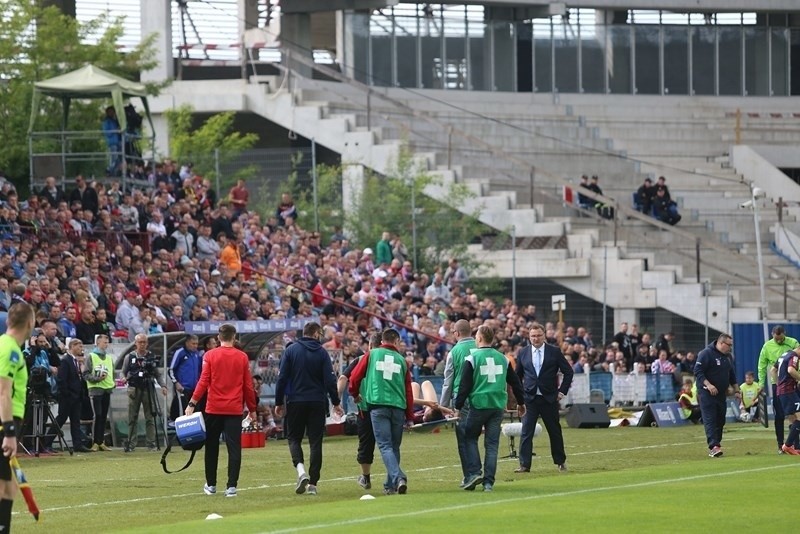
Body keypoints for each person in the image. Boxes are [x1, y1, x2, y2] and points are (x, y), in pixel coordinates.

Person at [186, 323, 256, 497]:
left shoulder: (210, 355)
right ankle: (231, 487)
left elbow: (203, 381)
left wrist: (192, 402)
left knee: (211, 447)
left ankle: (211, 485)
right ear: (234, 337)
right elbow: (248, 386)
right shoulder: (242, 357)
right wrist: (252, 408)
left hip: (214, 408)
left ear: (219, 337)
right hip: (233, 409)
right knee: (234, 448)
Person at [275, 322, 343, 496]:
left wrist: (278, 402)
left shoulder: (291, 350)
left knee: (294, 439)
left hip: (295, 401)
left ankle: (300, 471)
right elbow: (329, 380)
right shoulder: (322, 353)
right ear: (315, 333)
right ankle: (313, 484)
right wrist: (335, 402)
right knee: (315, 442)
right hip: (317, 402)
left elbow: (282, 378)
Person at [455, 326, 525, 492]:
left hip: (479, 405)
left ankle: (474, 472)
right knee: (492, 445)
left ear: (478, 339)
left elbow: (464, 386)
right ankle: (488, 483)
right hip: (497, 406)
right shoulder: (503, 358)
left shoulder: (472, 358)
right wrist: (521, 403)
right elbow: (515, 383)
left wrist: (457, 407)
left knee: (469, 438)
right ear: (492, 339)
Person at [349, 328, 414, 496]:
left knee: (385, 446)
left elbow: (354, 376)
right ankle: (390, 485)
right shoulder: (402, 360)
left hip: (378, 405)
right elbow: (408, 391)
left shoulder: (372, 354)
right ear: (396, 341)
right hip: (398, 407)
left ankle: (398, 477)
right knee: (394, 447)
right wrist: (410, 416)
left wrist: (355, 394)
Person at [514, 322, 574, 473]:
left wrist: (562, 392)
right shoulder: (523, 353)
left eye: (539, 335)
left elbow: (568, 372)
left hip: (549, 398)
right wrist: (519, 396)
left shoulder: (554, 351)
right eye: (533, 336)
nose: (536, 339)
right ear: (529, 337)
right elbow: (517, 376)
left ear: (544, 335)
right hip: (530, 399)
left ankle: (560, 461)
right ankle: (524, 465)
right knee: (526, 431)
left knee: (554, 431)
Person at [0, 302, 35, 532]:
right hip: (6, 421)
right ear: (30, 323)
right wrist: (9, 432)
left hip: (8, 420)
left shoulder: (5, 345)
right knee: (3, 486)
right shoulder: (10, 349)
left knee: (8, 484)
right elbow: (3, 391)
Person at [336, 332, 382, 490]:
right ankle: (395, 477)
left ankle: (366, 478)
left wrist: (337, 401)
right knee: (389, 444)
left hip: (366, 408)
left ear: (370, 345)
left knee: (366, 444)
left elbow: (343, 378)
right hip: (388, 406)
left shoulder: (361, 360)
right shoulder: (392, 359)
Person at [439, 319, 476, 486]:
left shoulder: (454, 352)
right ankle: (485, 474)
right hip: (482, 398)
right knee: (481, 438)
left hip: (462, 400)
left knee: (464, 438)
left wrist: (443, 406)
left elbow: (448, 381)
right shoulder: (481, 346)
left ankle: (470, 475)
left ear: (457, 333)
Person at [694, 333, 740, 457]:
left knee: (720, 420)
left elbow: (732, 374)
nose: (730, 347)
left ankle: (717, 444)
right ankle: (713, 446)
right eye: (728, 345)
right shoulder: (706, 353)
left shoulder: (728, 357)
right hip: (706, 393)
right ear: (720, 343)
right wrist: (708, 385)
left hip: (721, 394)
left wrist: (737, 390)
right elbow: (698, 371)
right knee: (710, 419)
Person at [121, 333, 167, 452]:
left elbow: (157, 373)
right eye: (140, 342)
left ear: (147, 343)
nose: (142, 344)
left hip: (148, 388)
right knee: (132, 417)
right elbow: (123, 372)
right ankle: (131, 443)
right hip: (134, 388)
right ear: (135, 343)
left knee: (150, 417)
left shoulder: (151, 356)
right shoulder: (129, 357)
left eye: (144, 342)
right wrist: (124, 378)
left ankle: (151, 443)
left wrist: (163, 385)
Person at [46, 338, 92, 452]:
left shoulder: (76, 361)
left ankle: (78, 444)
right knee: (61, 419)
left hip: (76, 397)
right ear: (72, 347)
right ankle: (47, 442)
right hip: (68, 397)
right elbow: (62, 379)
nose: (82, 349)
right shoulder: (66, 361)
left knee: (76, 421)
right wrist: (66, 394)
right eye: (79, 346)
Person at [757, 325, 798, 454]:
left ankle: (795, 445)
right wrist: (761, 383)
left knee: (794, 414)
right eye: (776, 339)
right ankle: (782, 445)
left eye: (781, 339)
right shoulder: (767, 346)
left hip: (794, 383)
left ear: (784, 334)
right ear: (772, 335)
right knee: (779, 415)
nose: (779, 341)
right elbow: (762, 365)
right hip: (779, 385)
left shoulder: (793, 343)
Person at [83, 335, 114, 451]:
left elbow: (112, 373)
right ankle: (95, 442)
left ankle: (101, 441)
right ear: (98, 343)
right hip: (96, 390)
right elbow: (85, 374)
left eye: (107, 342)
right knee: (98, 415)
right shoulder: (91, 356)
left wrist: (112, 384)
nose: (106, 344)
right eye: (104, 342)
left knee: (103, 416)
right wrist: (97, 379)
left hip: (107, 389)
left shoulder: (109, 358)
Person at [168, 335, 203, 422]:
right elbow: (171, 369)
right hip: (183, 389)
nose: (195, 346)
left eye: (196, 344)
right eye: (193, 343)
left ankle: (194, 433)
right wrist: (176, 383)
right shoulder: (180, 353)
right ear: (187, 343)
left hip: (194, 390)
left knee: (195, 413)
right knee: (183, 413)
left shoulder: (196, 354)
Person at [775, 346, 800, 455]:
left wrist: (778, 384)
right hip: (789, 391)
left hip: (782, 392)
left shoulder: (784, 354)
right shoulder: (794, 356)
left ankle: (795, 446)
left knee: (793, 419)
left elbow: (773, 370)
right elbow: (791, 370)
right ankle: (788, 445)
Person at [102, 107, 122, 175]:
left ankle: (114, 172)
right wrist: (115, 131)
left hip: (117, 142)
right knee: (114, 158)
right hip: (111, 142)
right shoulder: (106, 122)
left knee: (119, 159)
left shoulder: (114, 121)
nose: (112, 113)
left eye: (113, 111)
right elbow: (106, 133)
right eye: (111, 111)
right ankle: (109, 170)